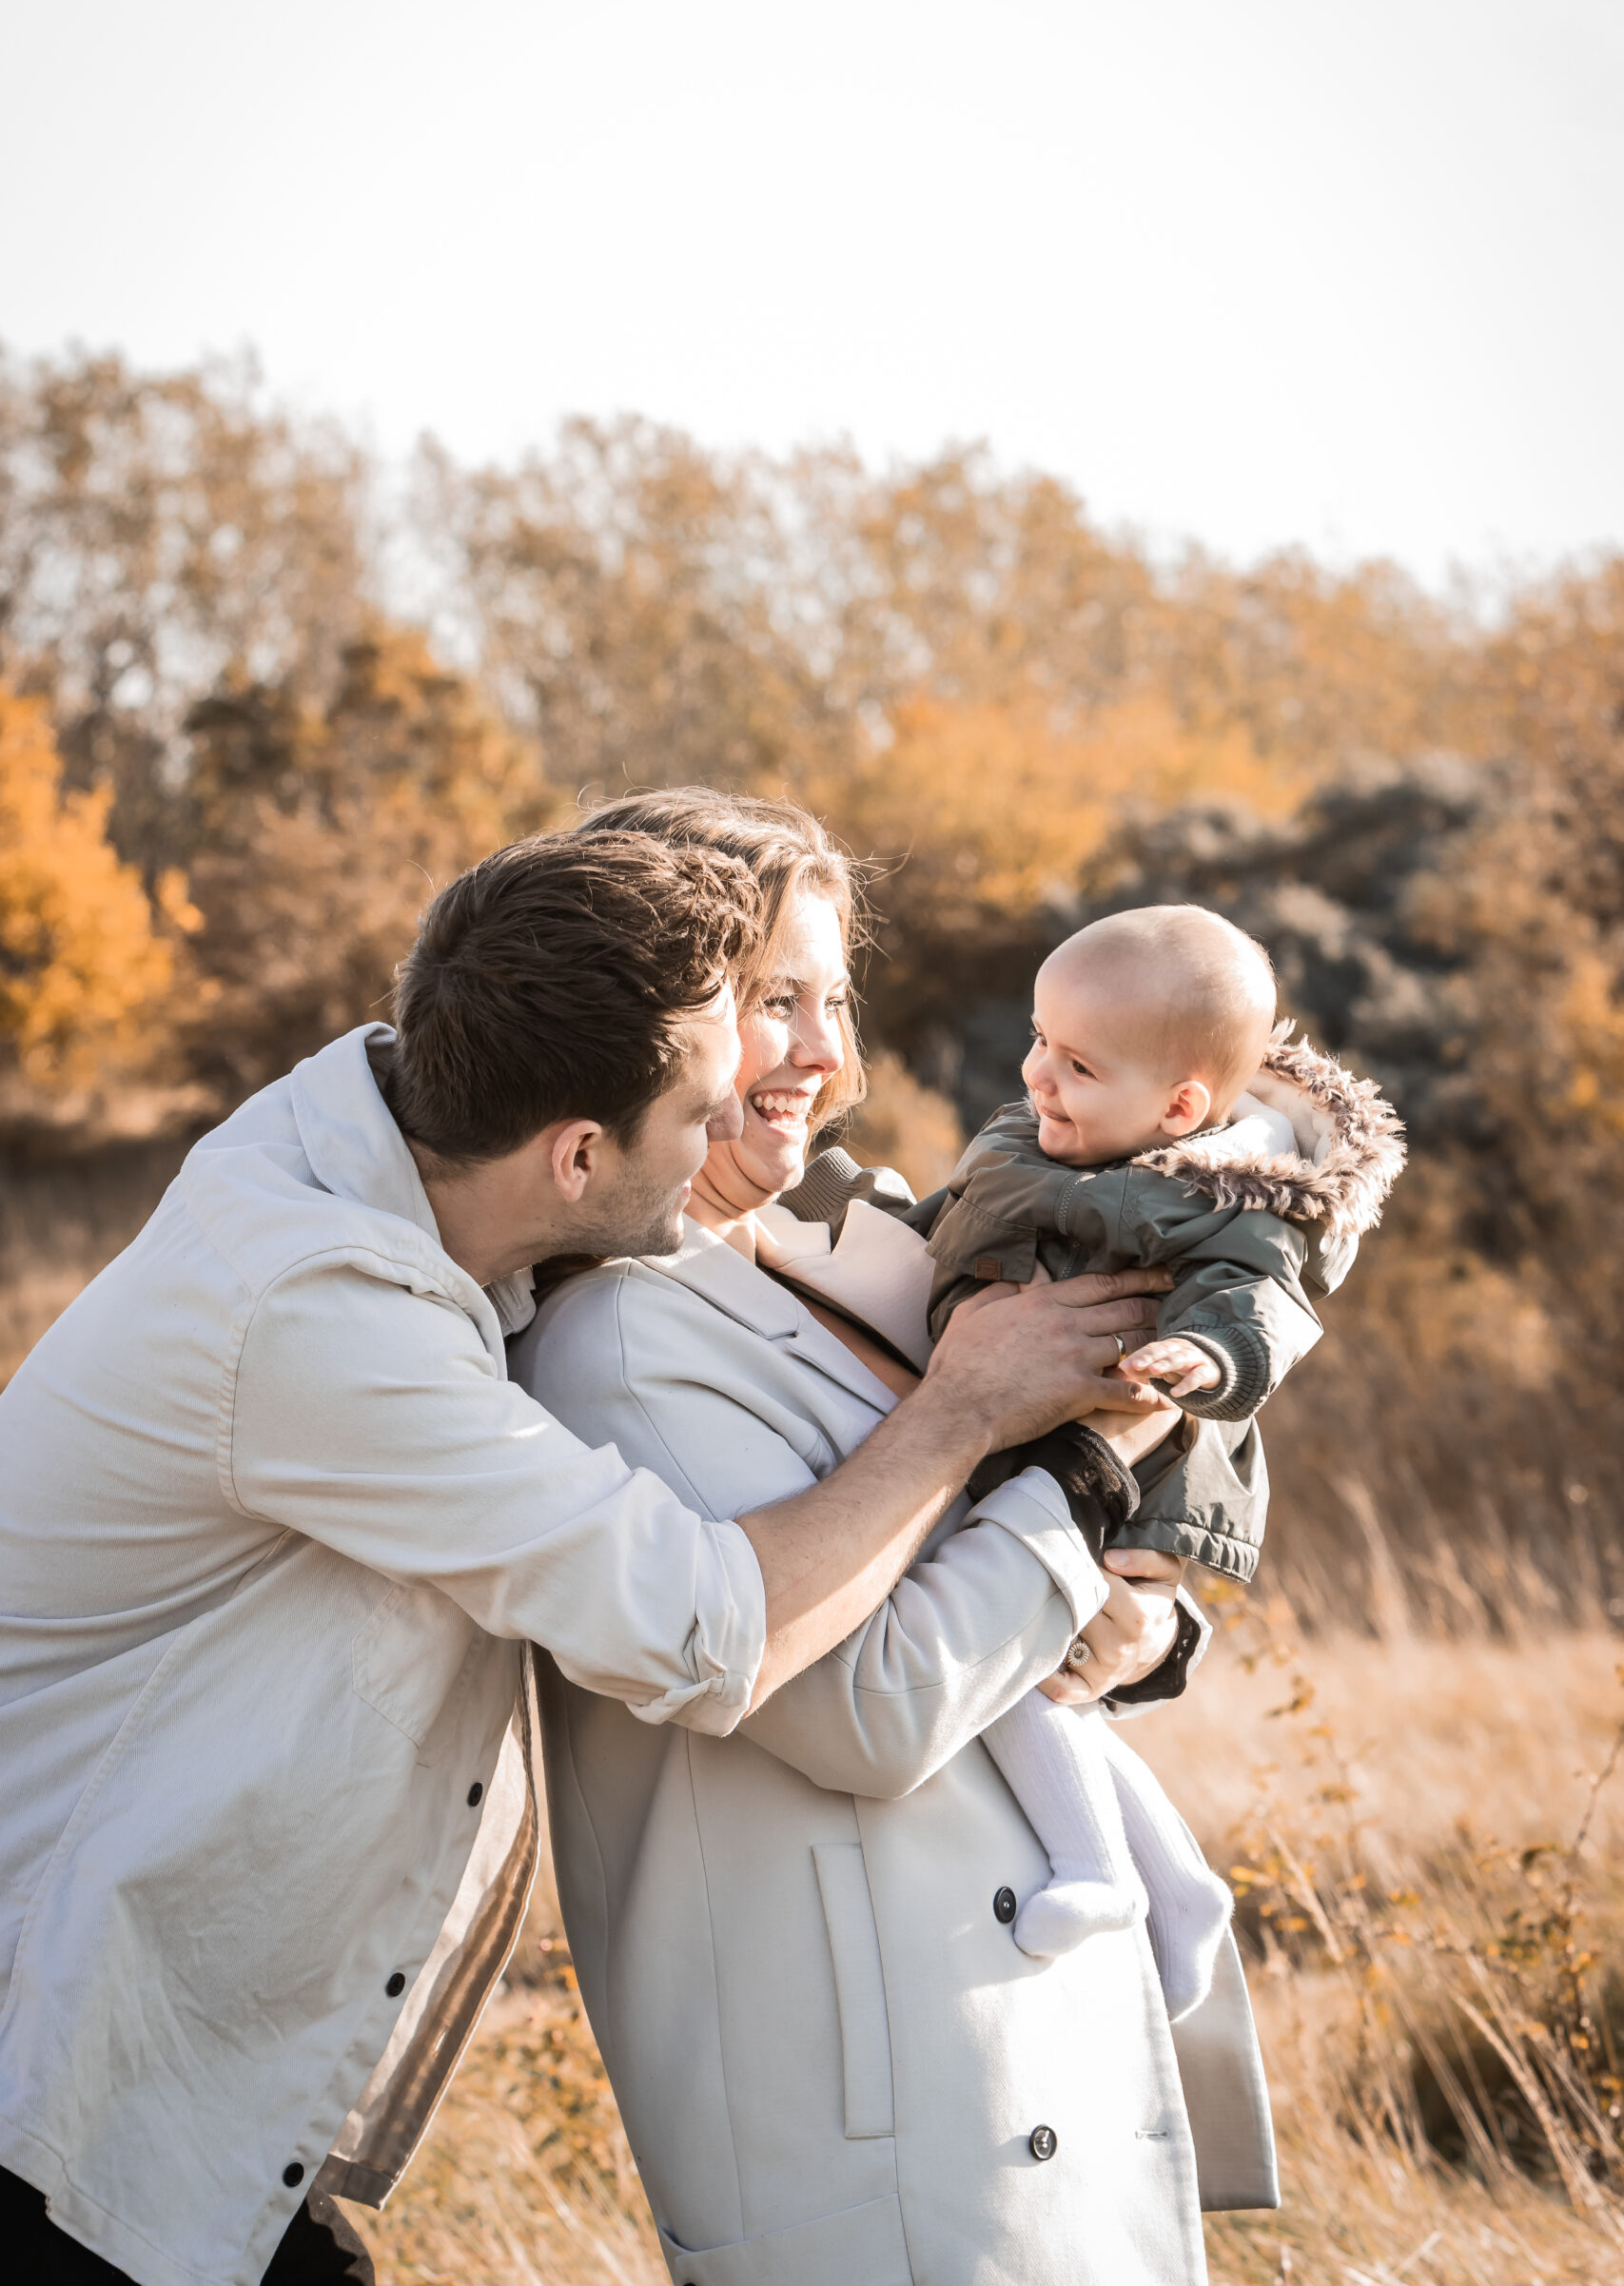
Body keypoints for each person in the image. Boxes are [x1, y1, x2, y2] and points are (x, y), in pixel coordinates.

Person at [0, 827, 1174, 2286]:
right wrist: (973, 1414)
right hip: (50, 2069)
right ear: (574, 1151)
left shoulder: (415, 1150)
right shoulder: (320, 1310)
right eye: (700, 1103)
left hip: (173, 2081)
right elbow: (705, 1630)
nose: (737, 1125)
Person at [513, 792, 1279, 2286]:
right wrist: (1084, 1458)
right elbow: (863, 1712)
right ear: (649, 1025)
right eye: (767, 1002)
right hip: (893, 2135)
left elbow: (1006, 1572)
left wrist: (1137, 1630)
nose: (820, 1053)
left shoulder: (857, 1256)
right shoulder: (615, 1347)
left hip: (1043, 2048)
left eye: (831, 999)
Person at [922, 904, 1405, 1992]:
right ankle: (1180, 1888)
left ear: (1179, 1105)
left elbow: (1262, 1300)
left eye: (1076, 1062)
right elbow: (950, 1223)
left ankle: (1101, 1868)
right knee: (1048, 1678)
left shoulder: (1226, 1196)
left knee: (1017, 1666)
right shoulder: (1050, 1139)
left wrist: (1203, 1353)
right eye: (1039, 1041)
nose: (1038, 1074)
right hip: (1055, 1431)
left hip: (1134, 1453)